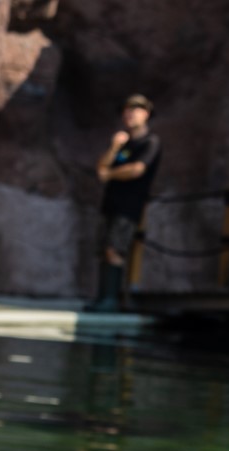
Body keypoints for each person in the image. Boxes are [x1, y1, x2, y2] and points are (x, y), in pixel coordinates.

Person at [87, 93, 162, 312]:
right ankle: (102, 298)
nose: (129, 113)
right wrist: (113, 147)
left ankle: (111, 301)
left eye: (135, 109)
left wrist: (109, 174)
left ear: (146, 114)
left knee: (115, 249)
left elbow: (137, 169)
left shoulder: (150, 142)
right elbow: (101, 167)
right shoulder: (122, 142)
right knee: (104, 249)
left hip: (130, 205)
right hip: (110, 202)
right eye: (127, 110)